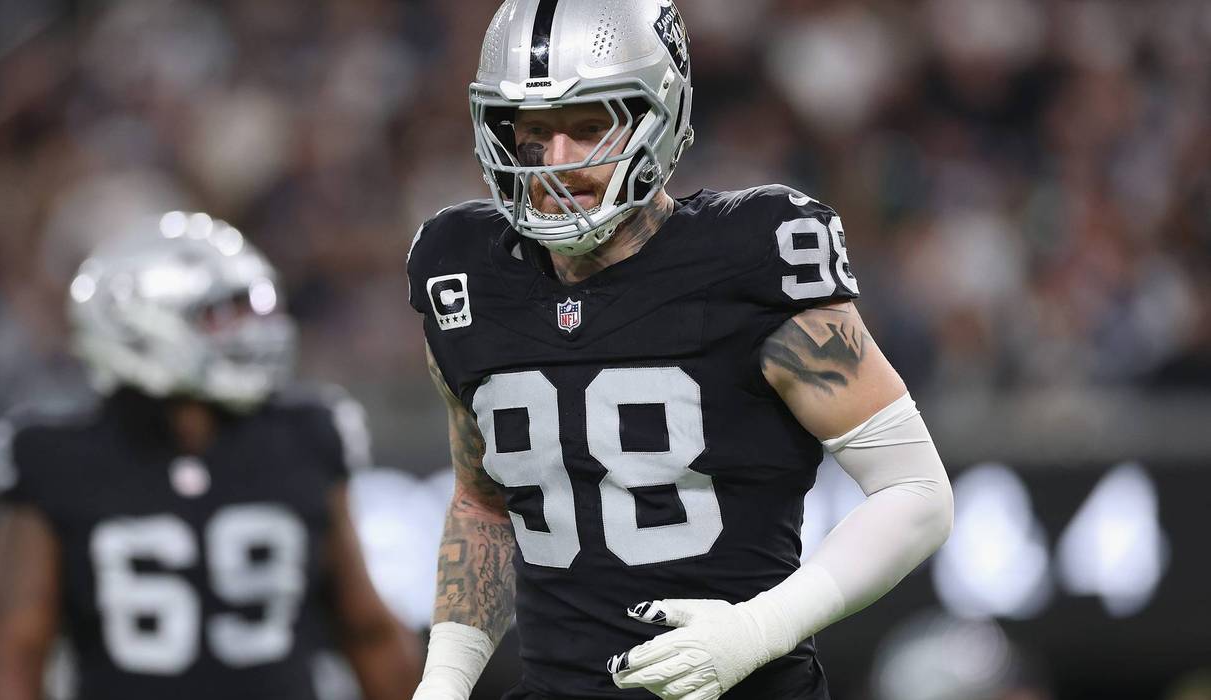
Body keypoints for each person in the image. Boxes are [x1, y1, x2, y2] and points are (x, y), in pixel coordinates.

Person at [406, 1, 955, 699]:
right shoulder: (463, 269)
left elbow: (914, 491)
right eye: (532, 131)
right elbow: (484, 504)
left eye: (587, 126)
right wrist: (444, 685)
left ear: (656, 117)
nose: (554, 161)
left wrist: (760, 628)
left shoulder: (750, 254)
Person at [0, 213, 421, 700]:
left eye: (252, 308)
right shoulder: (56, 457)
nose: (250, 331)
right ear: (137, 323)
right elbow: (19, 649)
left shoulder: (306, 434)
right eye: (222, 313)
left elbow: (367, 628)